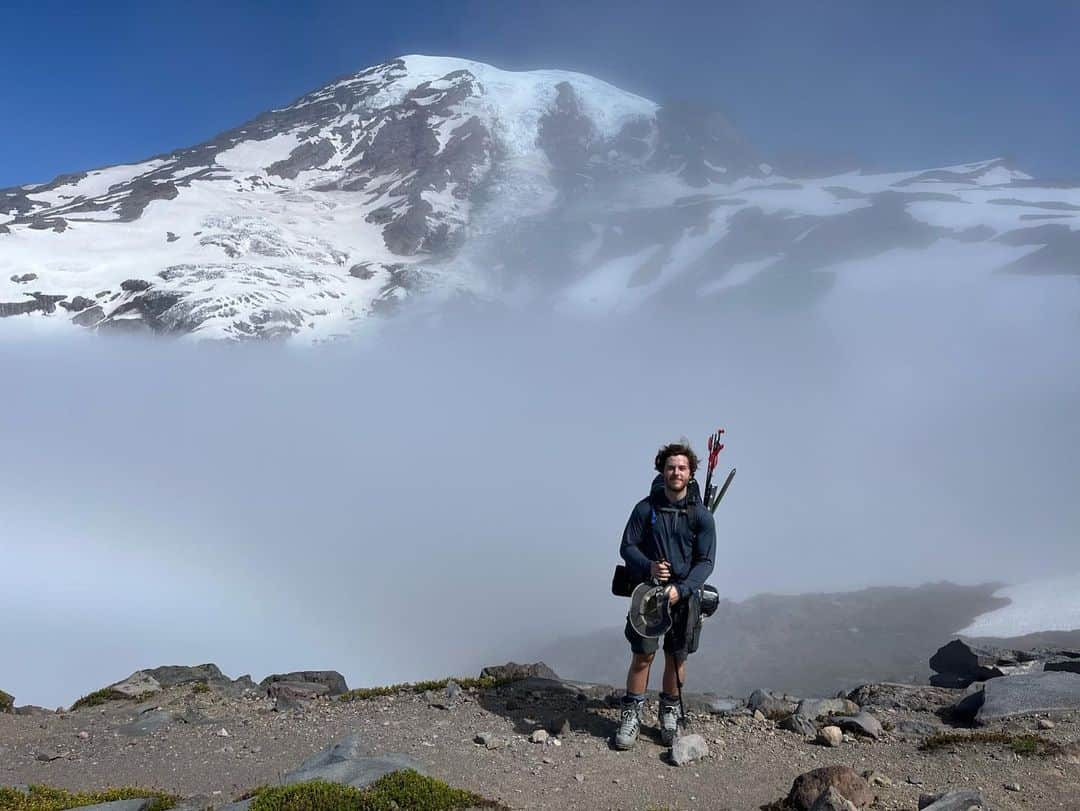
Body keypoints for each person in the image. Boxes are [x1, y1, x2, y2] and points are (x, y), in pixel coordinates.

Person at [614, 440, 716, 749]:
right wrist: (649, 568)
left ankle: (668, 713)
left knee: (676, 658)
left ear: (691, 472)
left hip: (684, 596)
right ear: (663, 469)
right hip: (649, 593)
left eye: (682, 467)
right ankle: (631, 715)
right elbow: (627, 547)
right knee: (643, 655)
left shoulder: (701, 516)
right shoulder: (645, 509)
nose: (676, 472)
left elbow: (705, 562)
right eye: (671, 467)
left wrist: (682, 589)